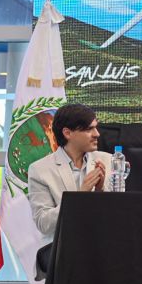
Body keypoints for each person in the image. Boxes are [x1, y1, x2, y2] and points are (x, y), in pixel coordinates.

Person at [28, 103, 113, 245]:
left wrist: (99, 192)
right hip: (62, 254)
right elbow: (44, 224)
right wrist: (79, 196)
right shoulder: (40, 170)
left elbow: (119, 215)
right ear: (67, 133)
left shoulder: (109, 161)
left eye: (96, 127)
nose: (97, 134)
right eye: (89, 129)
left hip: (103, 249)